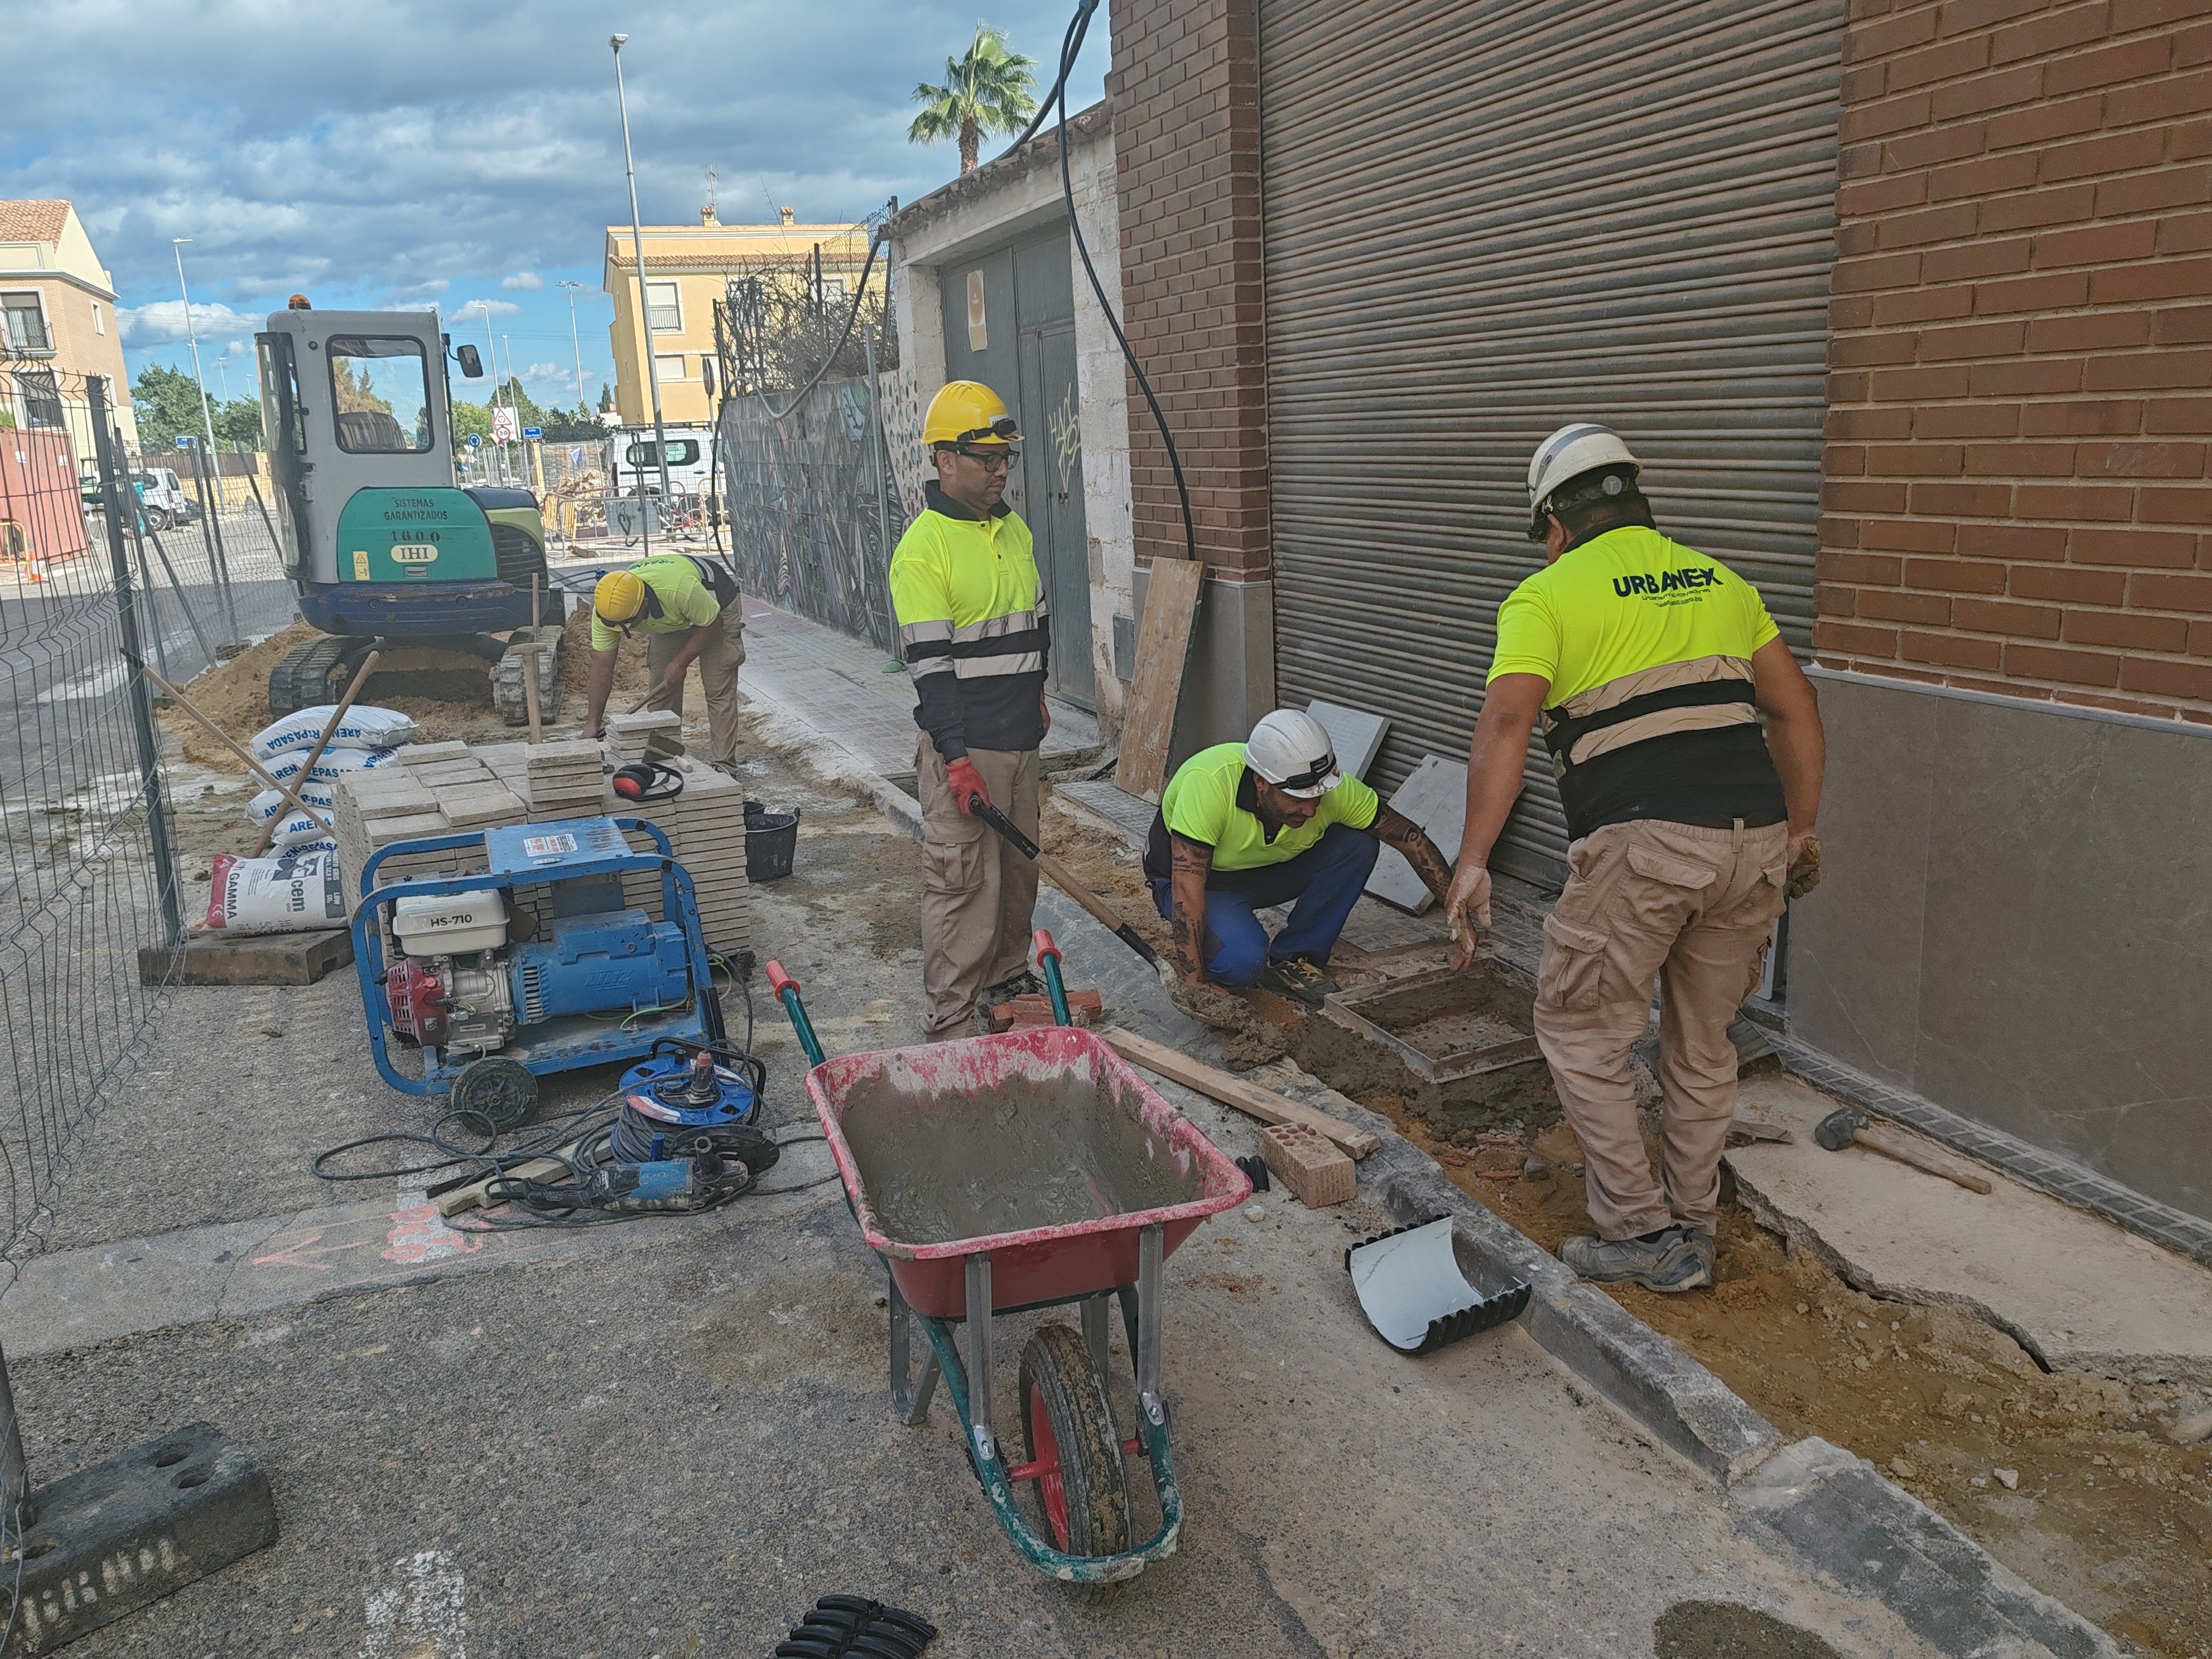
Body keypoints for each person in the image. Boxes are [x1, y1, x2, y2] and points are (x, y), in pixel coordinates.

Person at [1442, 423, 1825, 1294]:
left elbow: (1506, 722)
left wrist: (1473, 858)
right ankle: (1693, 1220)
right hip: (1753, 840)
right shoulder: (1722, 580)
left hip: (1645, 843)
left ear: (1555, 523)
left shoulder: (1546, 594)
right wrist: (1800, 830)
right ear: (1637, 499)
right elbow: (1795, 709)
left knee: (1582, 1031)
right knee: (1702, 1043)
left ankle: (1643, 1236)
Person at [889, 380, 1053, 1037]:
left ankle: (1006, 977)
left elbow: (1036, 624)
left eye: (1004, 456)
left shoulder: (1013, 529)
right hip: (969, 746)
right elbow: (932, 671)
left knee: (1017, 873)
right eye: (985, 457)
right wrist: (955, 759)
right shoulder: (921, 552)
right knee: (963, 885)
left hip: (1019, 741)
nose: (1000, 468)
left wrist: (1036, 699)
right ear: (944, 459)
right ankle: (951, 1015)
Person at [1147, 710, 1455, 1008]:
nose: (1311, 810)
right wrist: (1195, 982)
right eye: (1297, 800)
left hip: (1266, 872)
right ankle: (1232, 942)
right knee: (1242, 965)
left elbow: (1411, 839)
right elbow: (1187, 890)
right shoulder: (1209, 784)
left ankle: (1295, 959)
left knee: (1358, 845)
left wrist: (1457, 911)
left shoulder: (1330, 789)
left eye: (1317, 797)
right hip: (1202, 883)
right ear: (1261, 783)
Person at [581, 553, 746, 774]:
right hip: (673, 616)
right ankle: (663, 759)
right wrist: (592, 723)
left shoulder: (679, 589)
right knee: (661, 688)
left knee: (718, 690)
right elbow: (602, 669)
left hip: (716, 608)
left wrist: (681, 662)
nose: (623, 631)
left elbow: (713, 623)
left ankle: (724, 767)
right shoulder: (607, 613)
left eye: (630, 624)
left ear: (644, 604)